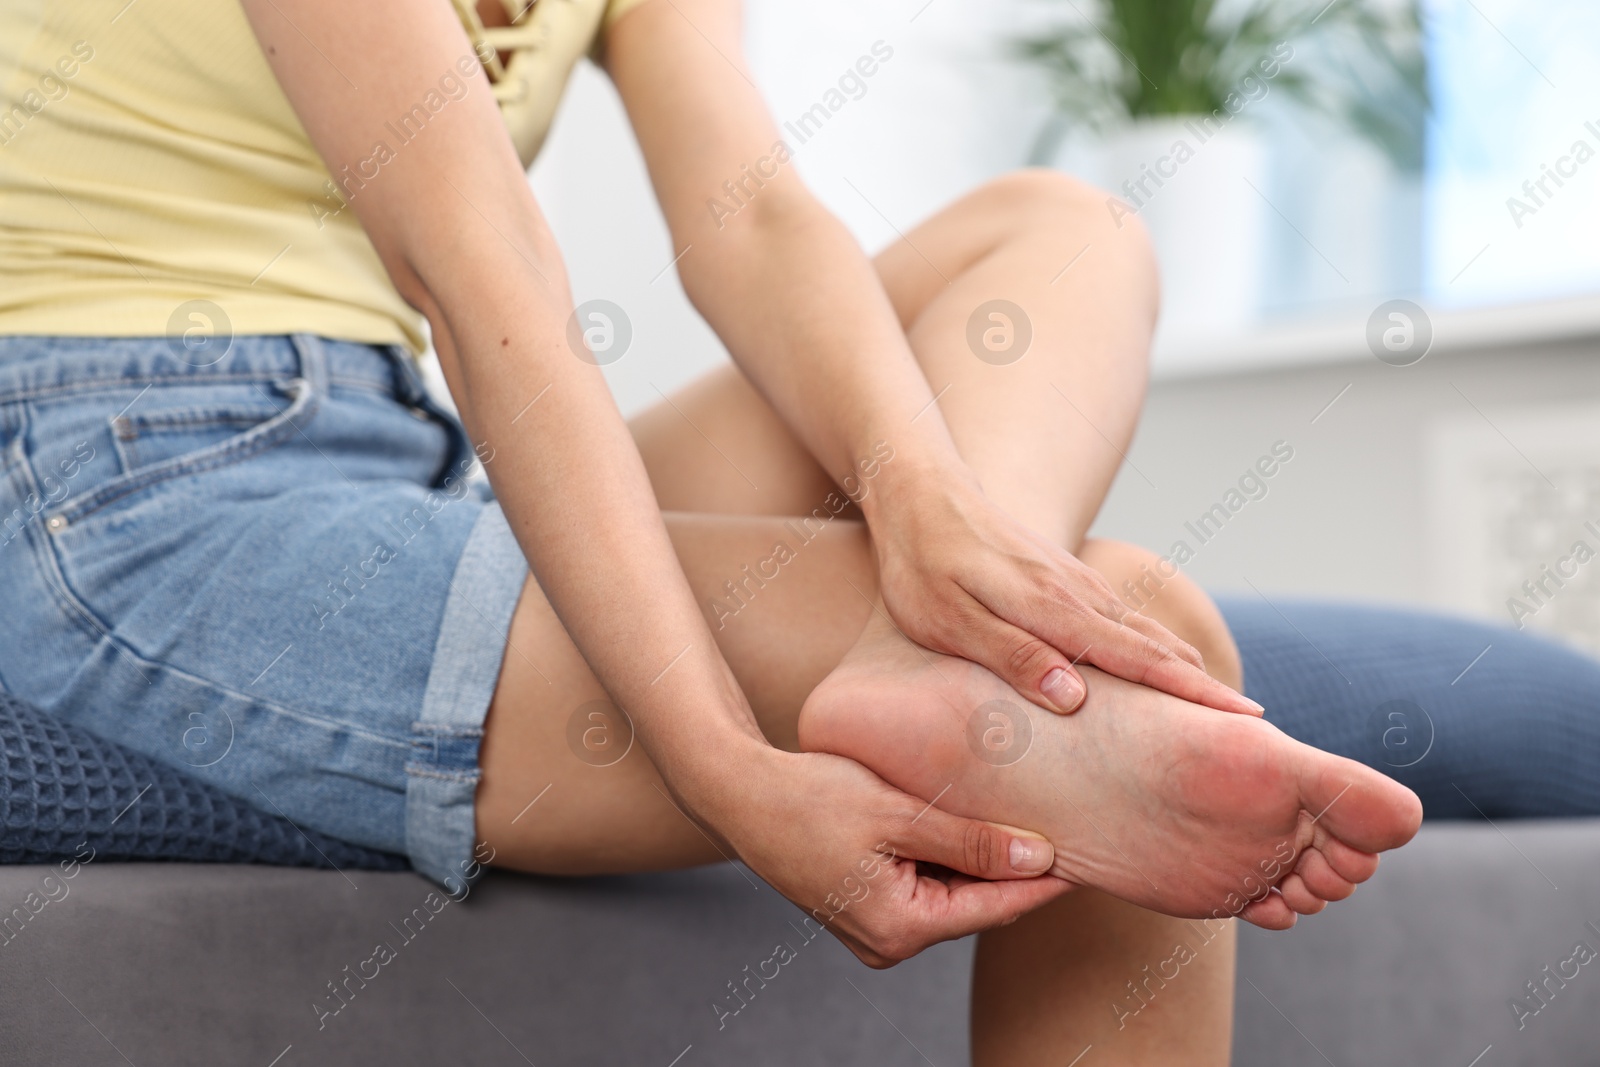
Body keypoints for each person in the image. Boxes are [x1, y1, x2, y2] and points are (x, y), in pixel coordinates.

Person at [0, 0, 1438, 1062]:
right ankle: (953, 677)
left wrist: (919, 497)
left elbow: (750, 223)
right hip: (125, 482)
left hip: (406, 454)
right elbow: (476, 269)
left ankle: (923, 650)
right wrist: (727, 767)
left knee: (1067, 231)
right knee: (1142, 642)